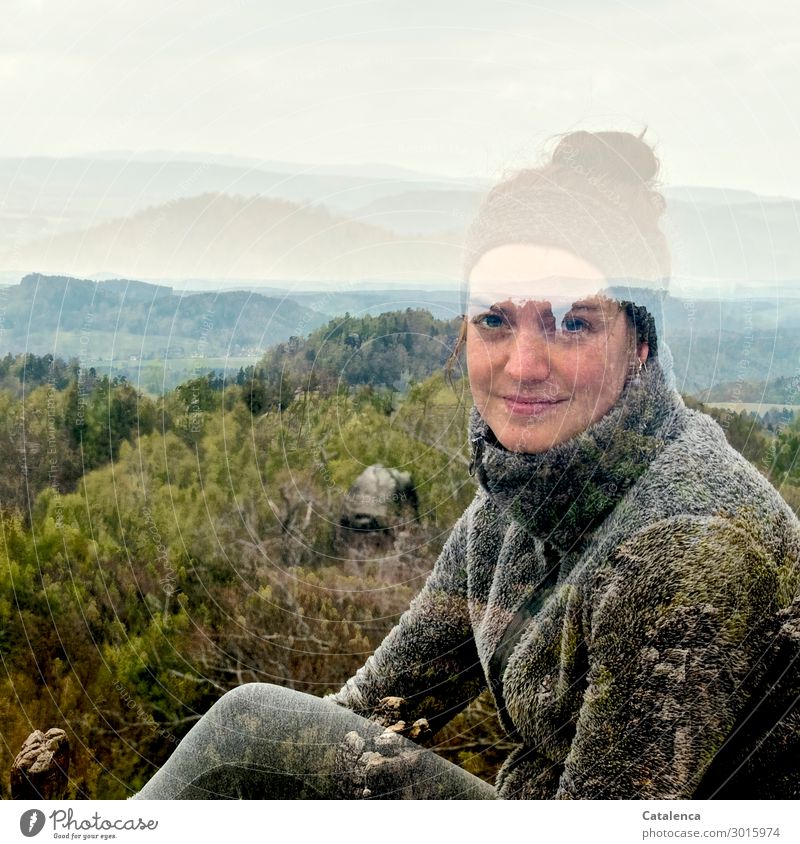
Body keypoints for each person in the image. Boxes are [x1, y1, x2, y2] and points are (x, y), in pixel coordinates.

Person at [134, 131, 800, 800]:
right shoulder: (518, 496)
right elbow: (377, 709)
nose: (523, 364)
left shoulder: (686, 543)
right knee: (252, 740)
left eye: (571, 323)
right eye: (495, 320)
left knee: (250, 730)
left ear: (641, 343)